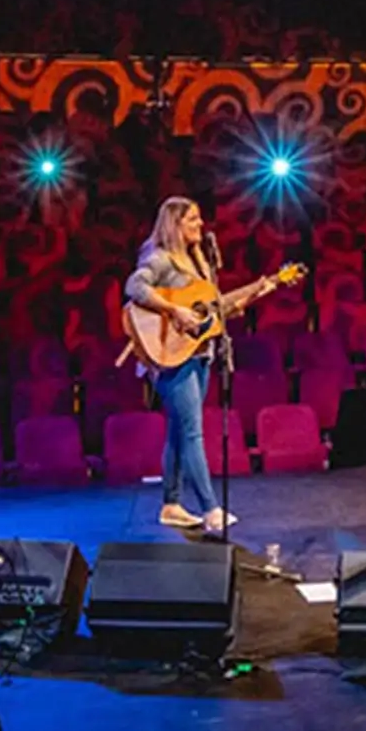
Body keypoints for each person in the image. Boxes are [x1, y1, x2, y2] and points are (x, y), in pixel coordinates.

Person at [123, 196, 242, 536]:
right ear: (175, 224)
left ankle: (171, 505)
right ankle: (211, 509)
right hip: (169, 356)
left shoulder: (196, 261)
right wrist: (174, 310)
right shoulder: (159, 258)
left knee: (179, 430)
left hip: (197, 352)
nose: (200, 225)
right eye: (193, 220)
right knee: (192, 431)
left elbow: (204, 313)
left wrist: (236, 305)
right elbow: (135, 286)